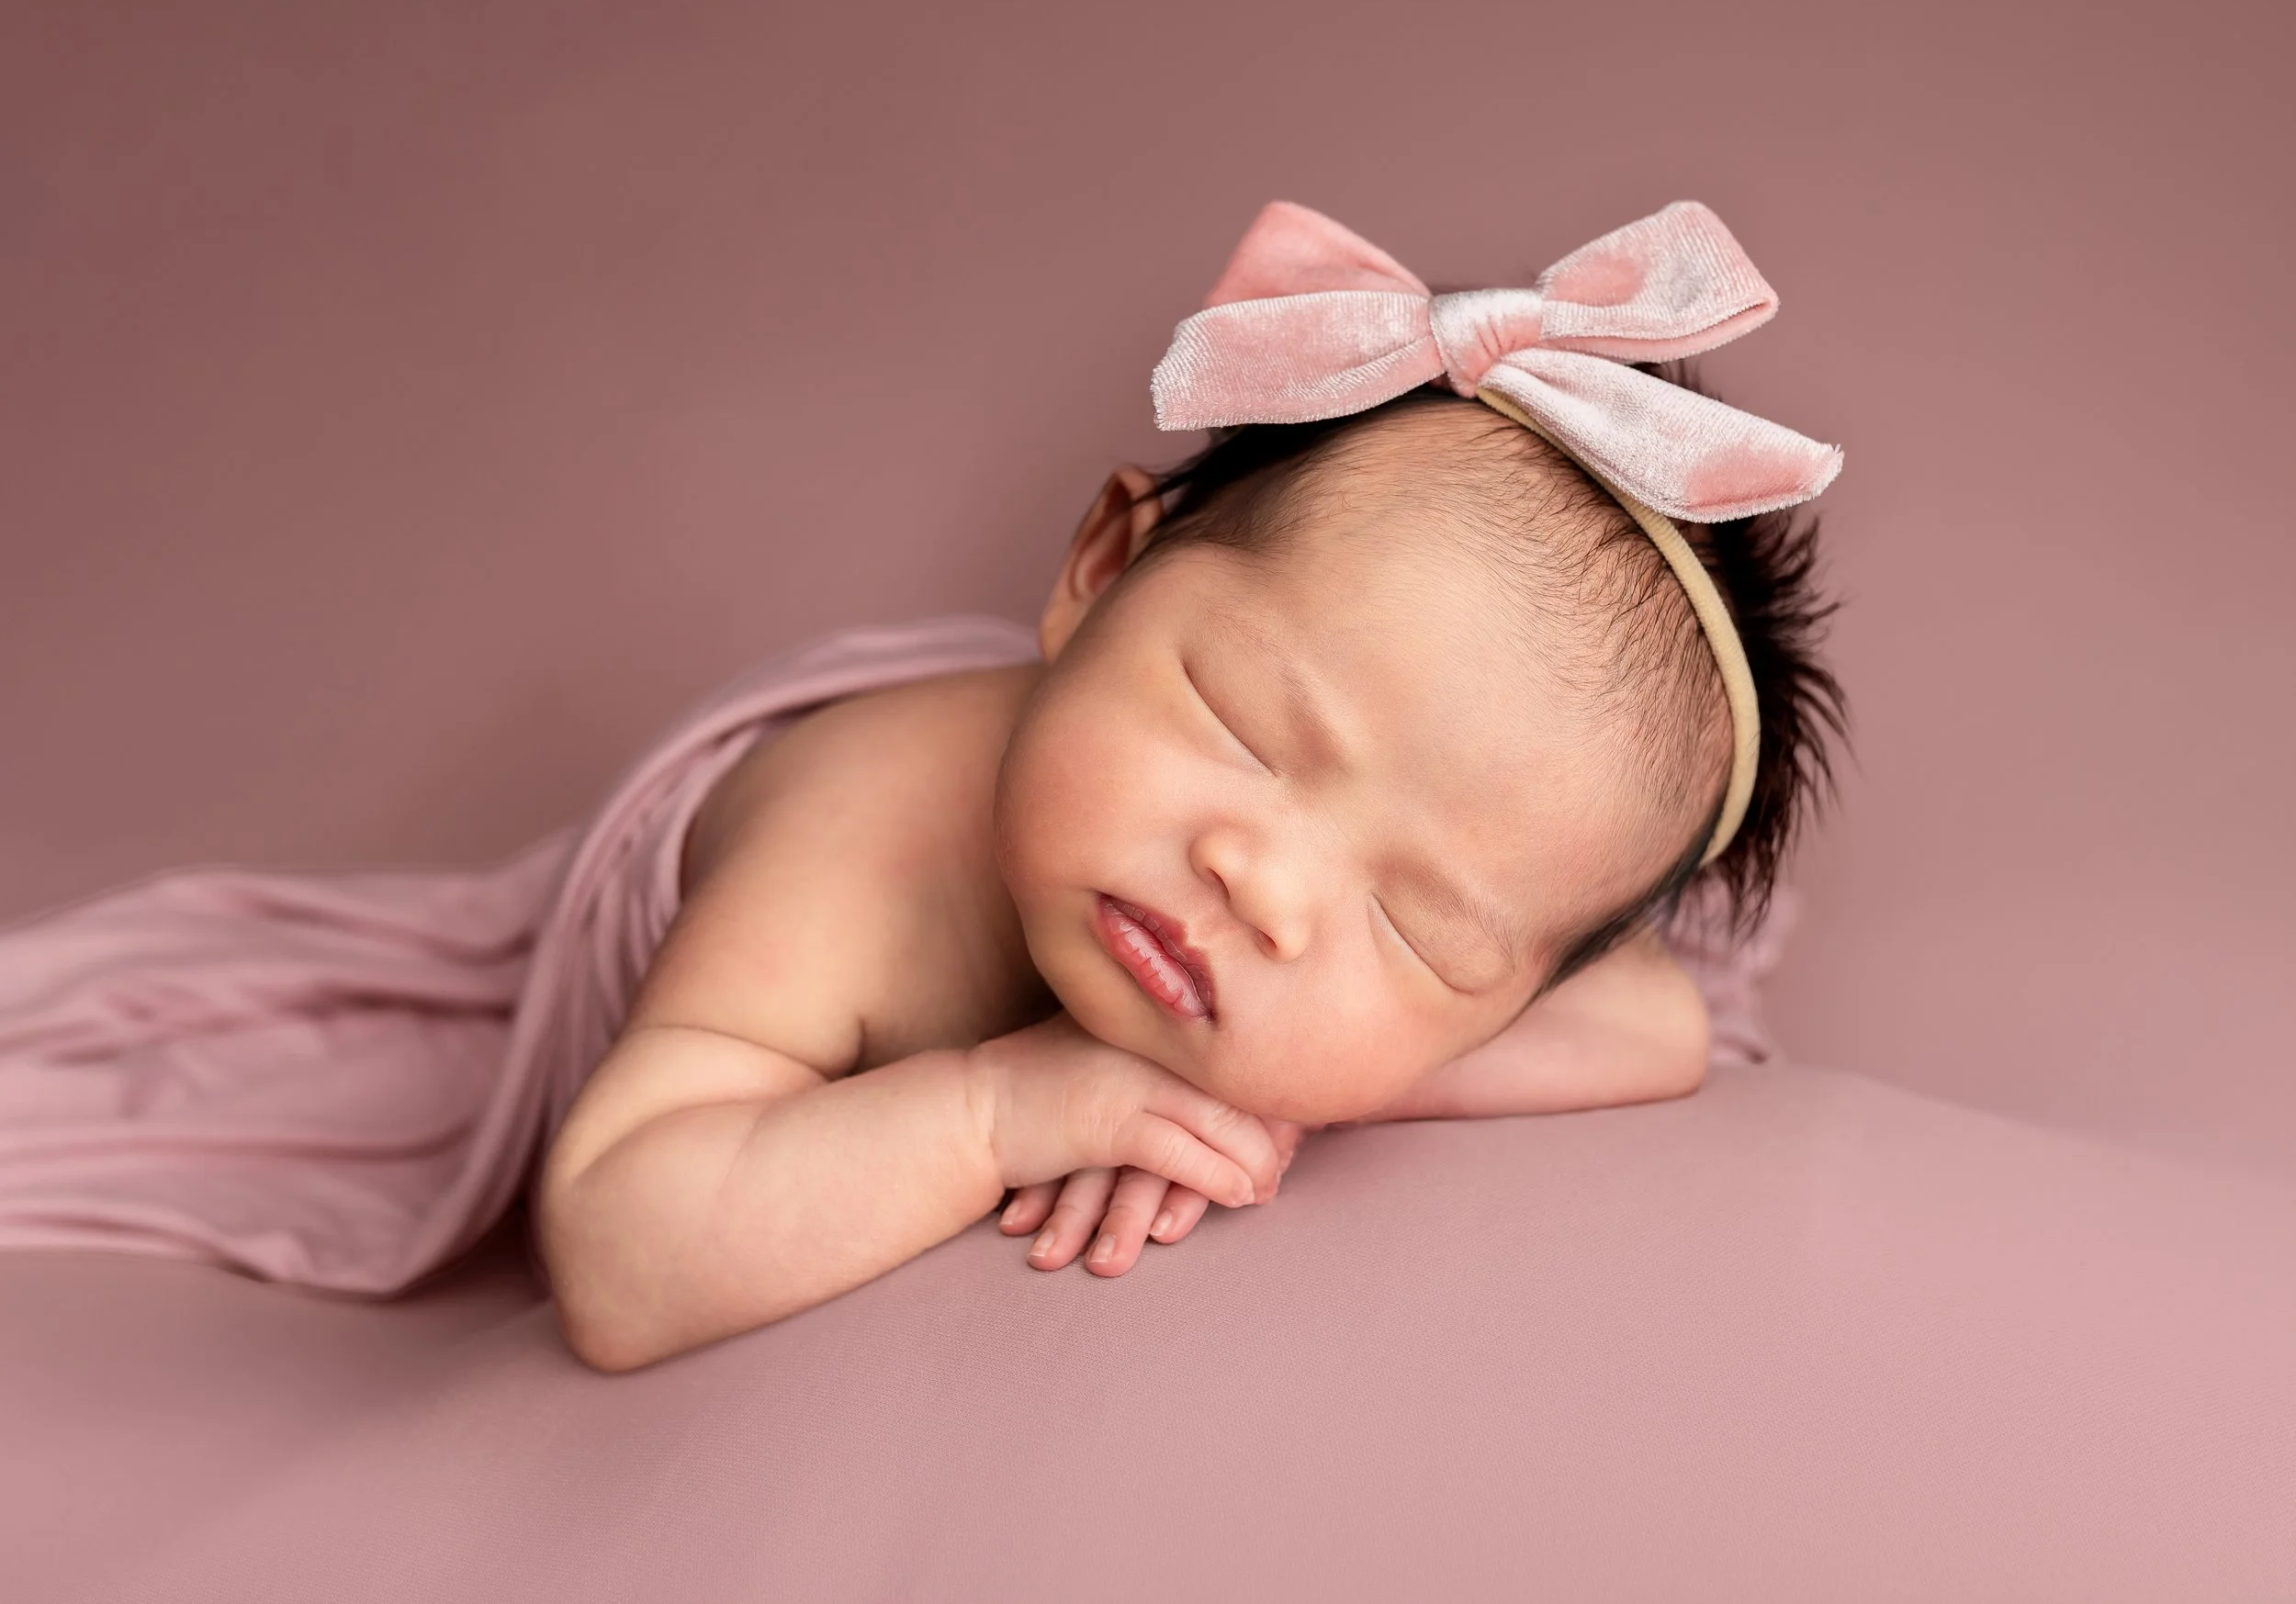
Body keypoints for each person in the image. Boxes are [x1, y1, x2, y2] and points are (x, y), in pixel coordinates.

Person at [535, 199, 1847, 1371]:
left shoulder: (1406, 945)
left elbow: (1659, 1028)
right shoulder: (857, 840)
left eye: (1415, 929)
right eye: (1246, 729)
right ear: (1104, 566)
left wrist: (1285, 1078)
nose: (1265, 888)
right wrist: (1000, 1111)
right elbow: (617, 1250)